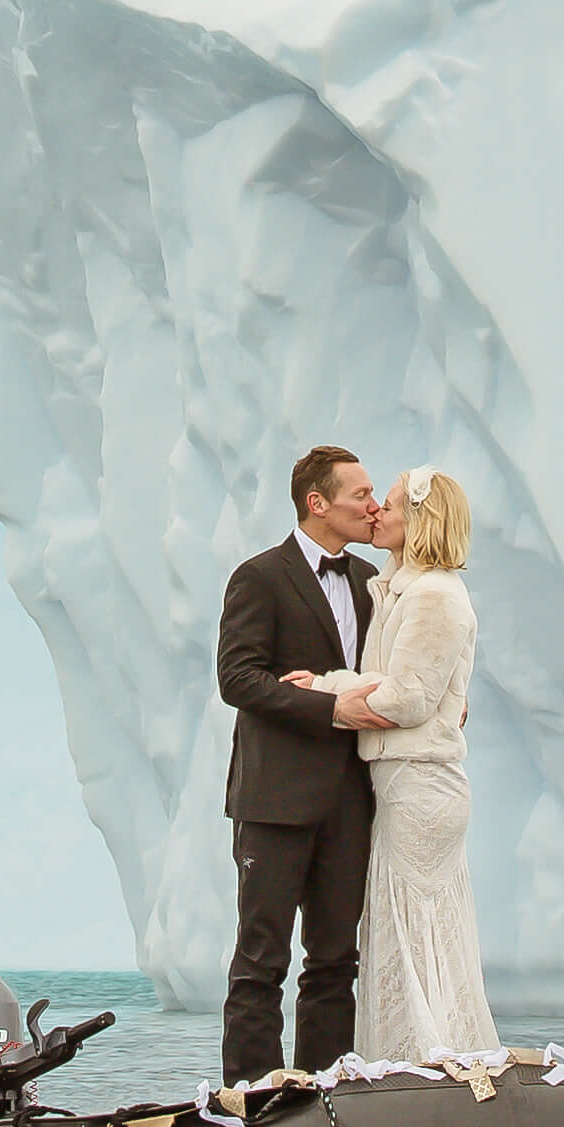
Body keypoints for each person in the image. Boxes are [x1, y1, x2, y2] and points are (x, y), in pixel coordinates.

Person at [217, 446, 386, 1082]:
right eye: (360, 495)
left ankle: (326, 1096)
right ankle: (251, 1100)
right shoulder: (259, 576)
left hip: (351, 800)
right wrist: (331, 707)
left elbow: (387, 678)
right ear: (318, 503)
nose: (373, 507)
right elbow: (238, 679)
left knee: (337, 959)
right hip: (275, 800)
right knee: (261, 958)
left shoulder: (371, 583)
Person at [340, 462, 496, 1062]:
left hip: (421, 789)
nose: (380, 510)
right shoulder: (404, 589)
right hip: (403, 785)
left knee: (415, 930)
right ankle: (419, 1059)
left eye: (396, 504)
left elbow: (409, 697)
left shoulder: (433, 596)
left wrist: (326, 698)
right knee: (410, 930)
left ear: (422, 521)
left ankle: (427, 1062)